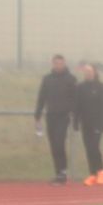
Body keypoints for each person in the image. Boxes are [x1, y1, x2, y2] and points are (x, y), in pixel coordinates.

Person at [34, 54, 77, 185]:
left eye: (60, 63)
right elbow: (41, 97)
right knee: (53, 145)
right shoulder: (47, 79)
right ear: (53, 64)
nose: (58, 65)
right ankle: (58, 172)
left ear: (64, 64)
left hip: (63, 117)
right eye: (56, 63)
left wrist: (73, 113)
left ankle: (63, 173)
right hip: (50, 116)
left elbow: (75, 98)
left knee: (59, 143)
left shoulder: (71, 79)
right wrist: (37, 115)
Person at [73, 63, 103, 186]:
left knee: (94, 147)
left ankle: (101, 172)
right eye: (86, 71)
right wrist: (76, 122)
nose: (88, 73)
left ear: (94, 72)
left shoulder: (101, 87)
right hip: (86, 123)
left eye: (90, 71)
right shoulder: (80, 87)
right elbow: (77, 105)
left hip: (97, 124)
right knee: (88, 149)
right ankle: (92, 174)